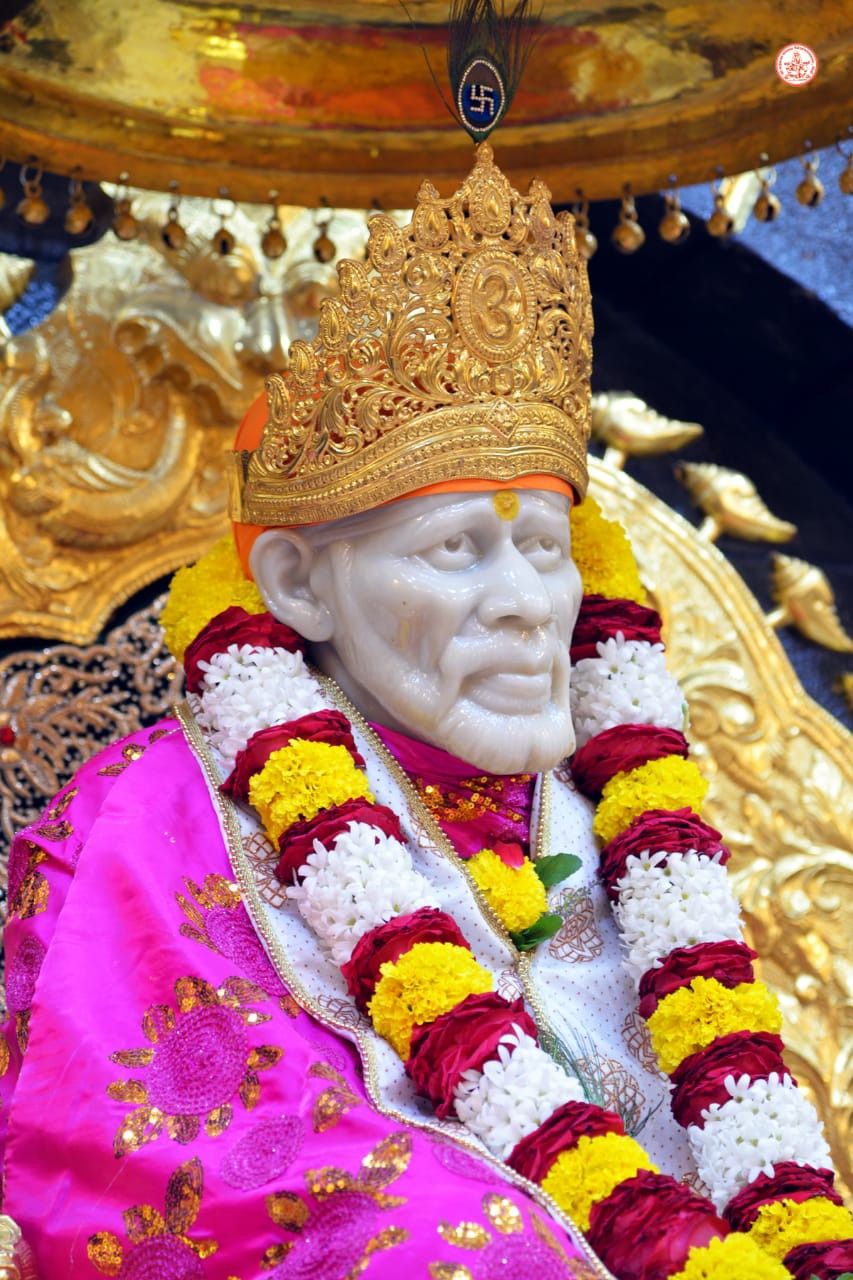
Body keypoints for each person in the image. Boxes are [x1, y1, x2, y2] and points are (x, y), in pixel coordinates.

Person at [0, 147, 847, 1280]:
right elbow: (171, 1163)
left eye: (544, 549)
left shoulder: (621, 807)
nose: (522, 605)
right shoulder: (151, 816)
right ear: (302, 586)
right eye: (458, 549)